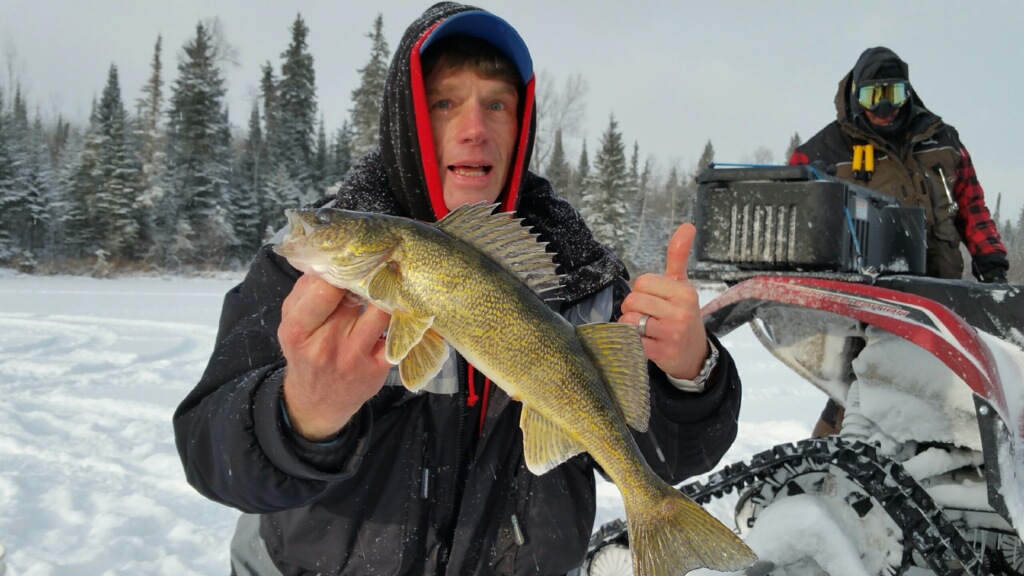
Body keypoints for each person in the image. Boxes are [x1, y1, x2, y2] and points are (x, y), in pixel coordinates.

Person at [173, 3, 744, 575]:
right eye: (445, 102)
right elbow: (209, 452)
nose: (474, 128)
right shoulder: (305, 277)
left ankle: (662, 520)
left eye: (497, 104)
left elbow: (673, 455)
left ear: (521, 127)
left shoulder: (582, 272)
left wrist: (688, 376)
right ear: (408, 120)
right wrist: (303, 413)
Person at [789, 46, 1009, 437]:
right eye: (874, 95)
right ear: (856, 95)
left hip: (939, 296)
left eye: (894, 93)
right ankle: (825, 468)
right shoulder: (825, 150)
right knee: (855, 392)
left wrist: (990, 259)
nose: (885, 106)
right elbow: (793, 208)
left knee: (942, 393)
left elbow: (972, 206)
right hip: (867, 302)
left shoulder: (942, 141)